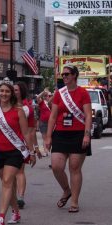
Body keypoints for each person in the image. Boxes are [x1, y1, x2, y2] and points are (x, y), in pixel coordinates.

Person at [0, 79, 36, 225]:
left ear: (11, 93)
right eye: (2, 91)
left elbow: (26, 133)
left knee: (7, 181)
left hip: (15, 152)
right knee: (8, 185)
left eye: (7, 91)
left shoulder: (18, 111)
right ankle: (16, 213)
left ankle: (1, 216)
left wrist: (31, 152)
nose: (4, 94)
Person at [45, 65, 92, 213]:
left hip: (78, 134)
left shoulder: (83, 93)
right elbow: (52, 116)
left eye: (67, 74)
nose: (64, 77)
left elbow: (88, 115)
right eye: (63, 75)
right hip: (60, 133)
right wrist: (47, 137)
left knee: (74, 168)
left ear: (74, 76)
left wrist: (86, 134)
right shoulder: (59, 93)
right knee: (57, 166)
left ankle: (74, 202)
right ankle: (66, 190)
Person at [13, 81, 42, 209]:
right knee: (8, 173)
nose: (13, 92)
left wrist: (33, 150)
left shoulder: (27, 108)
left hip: (20, 143)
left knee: (19, 171)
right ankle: (11, 195)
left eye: (16, 90)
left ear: (21, 92)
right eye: (12, 90)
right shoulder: (5, 105)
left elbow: (31, 131)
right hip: (5, 143)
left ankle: (20, 197)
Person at [36, 88, 53, 157]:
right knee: (44, 137)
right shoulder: (42, 103)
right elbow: (37, 97)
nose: (46, 97)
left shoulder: (51, 102)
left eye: (47, 96)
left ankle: (48, 148)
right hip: (43, 122)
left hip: (51, 123)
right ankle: (45, 151)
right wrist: (43, 92)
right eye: (45, 96)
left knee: (50, 137)